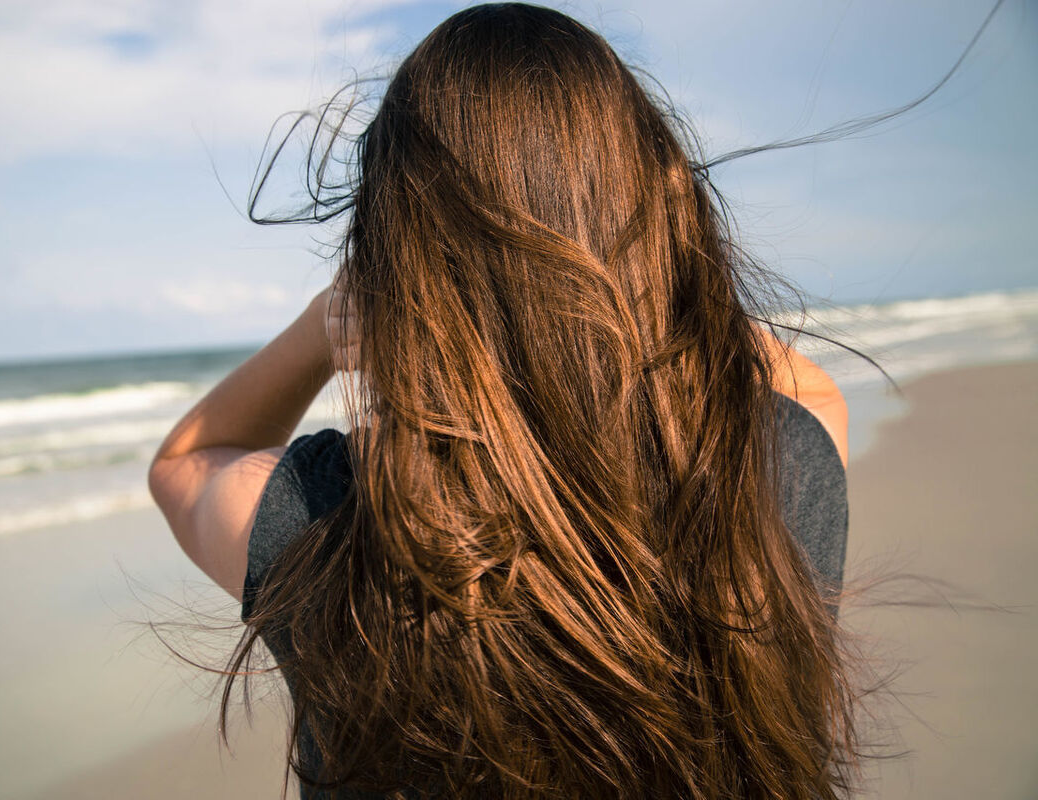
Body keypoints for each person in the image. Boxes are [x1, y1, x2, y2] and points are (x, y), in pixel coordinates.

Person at [148, 3, 858, 798]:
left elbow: (185, 461)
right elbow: (796, 382)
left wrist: (329, 321)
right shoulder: (766, 472)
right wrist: (648, 275)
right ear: (658, 213)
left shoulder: (329, 521)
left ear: (394, 266)